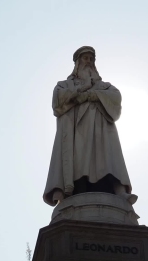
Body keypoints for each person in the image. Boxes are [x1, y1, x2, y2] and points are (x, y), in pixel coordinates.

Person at [43, 46, 136, 206]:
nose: (89, 62)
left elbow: (115, 97)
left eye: (91, 59)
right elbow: (58, 102)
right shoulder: (65, 85)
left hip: (102, 132)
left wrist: (93, 95)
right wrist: (80, 91)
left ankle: (119, 192)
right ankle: (72, 193)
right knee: (79, 162)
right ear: (77, 62)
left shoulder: (103, 86)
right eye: (85, 58)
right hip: (76, 132)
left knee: (108, 159)